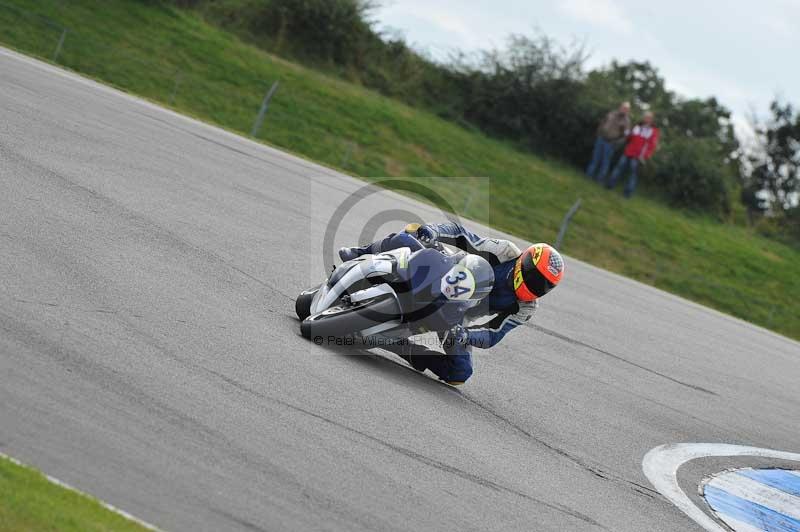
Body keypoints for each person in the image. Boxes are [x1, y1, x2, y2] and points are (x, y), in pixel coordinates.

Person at [338, 222, 564, 385]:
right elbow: (461, 234)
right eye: (535, 277)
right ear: (525, 262)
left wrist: (466, 335)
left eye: (543, 286)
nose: (536, 286)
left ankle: (405, 348)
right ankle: (362, 255)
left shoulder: (526, 307)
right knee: (408, 235)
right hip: (446, 272)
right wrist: (434, 231)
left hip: (455, 318)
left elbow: (493, 334)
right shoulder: (505, 251)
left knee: (460, 373)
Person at [607, 111, 660, 198]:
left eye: (648, 118)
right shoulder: (638, 126)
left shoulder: (654, 131)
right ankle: (610, 185)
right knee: (619, 168)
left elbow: (652, 145)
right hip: (628, 152)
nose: (646, 119)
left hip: (638, 156)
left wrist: (645, 156)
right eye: (645, 117)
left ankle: (627, 193)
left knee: (633, 175)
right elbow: (630, 137)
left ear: (651, 120)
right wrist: (628, 133)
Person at [586, 102, 631, 181]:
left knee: (605, 163)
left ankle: (599, 180)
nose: (624, 109)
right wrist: (598, 132)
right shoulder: (612, 113)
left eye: (626, 109)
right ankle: (588, 176)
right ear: (620, 107)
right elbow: (603, 122)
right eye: (623, 107)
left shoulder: (626, 121)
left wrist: (616, 143)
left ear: (628, 111)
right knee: (595, 159)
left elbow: (625, 136)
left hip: (611, 143)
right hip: (601, 139)